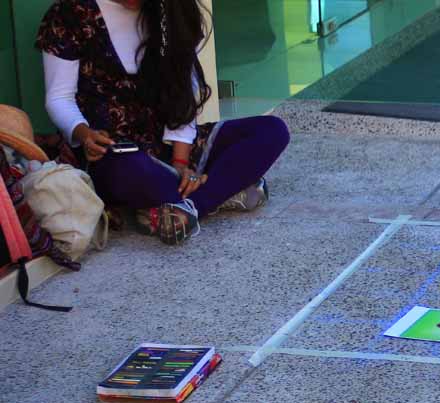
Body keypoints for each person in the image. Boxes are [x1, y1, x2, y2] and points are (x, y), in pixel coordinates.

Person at [37, 0, 290, 245]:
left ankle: (185, 209)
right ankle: (220, 190)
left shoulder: (170, 10)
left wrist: (181, 162)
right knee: (140, 174)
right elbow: (59, 98)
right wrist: (83, 133)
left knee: (272, 131)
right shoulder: (71, 13)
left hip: (172, 146)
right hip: (115, 153)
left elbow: (182, 95)